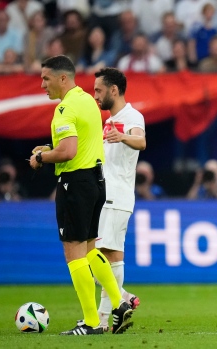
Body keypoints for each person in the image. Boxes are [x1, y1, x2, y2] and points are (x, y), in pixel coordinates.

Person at [28, 55, 133, 335]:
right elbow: (80, 142)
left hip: (75, 184)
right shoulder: (87, 100)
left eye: (46, 79)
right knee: (89, 250)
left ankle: (90, 322)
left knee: (73, 253)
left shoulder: (64, 109)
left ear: (63, 78)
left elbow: (68, 152)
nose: (42, 85)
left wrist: (41, 157)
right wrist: (51, 148)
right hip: (97, 182)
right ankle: (119, 302)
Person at [93, 67, 146, 330]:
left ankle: (104, 318)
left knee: (102, 256)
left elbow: (141, 141)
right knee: (101, 257)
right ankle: (121, 299)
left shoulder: (132, 116)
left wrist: (122, 136)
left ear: (114, 90)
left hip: (116, 194)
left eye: (99, 90)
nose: (95, 96)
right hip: (105, 195)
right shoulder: (106, 121)